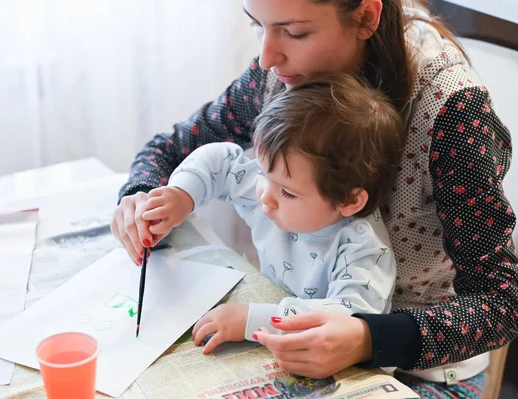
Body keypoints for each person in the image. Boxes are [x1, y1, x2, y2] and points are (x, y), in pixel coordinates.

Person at [111, 0, 517, 397]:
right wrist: (142, 195)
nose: (267, 57)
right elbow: (173, 148)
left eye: (294, 32)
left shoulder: (453, 113)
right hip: (293, 321)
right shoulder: (279, 71)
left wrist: (366, 337)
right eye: (257, 24)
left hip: (424, 371)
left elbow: (502, 302)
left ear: (366, 17)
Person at [143, 74, 403, 354]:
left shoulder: (363, 250)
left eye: (288, 193)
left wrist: (251, 321)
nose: (264, 195)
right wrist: (182, 193)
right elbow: (221, 162)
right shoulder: (276, 183)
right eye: (263, 173)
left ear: (349, 201)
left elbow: (347, 320)